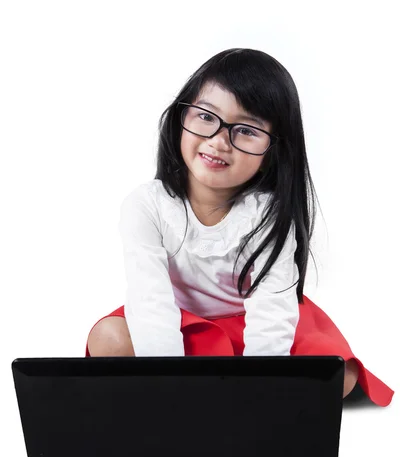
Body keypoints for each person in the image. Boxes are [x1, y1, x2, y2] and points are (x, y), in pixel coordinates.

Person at [85, 48, 394, 407]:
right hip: (181, 323)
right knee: (108, 338)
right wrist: (168, 385)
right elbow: (150, 301)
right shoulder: (147, 205)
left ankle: (223, 384)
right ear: (180, 117)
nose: (218, 141)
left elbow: (272, 312)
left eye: (245, 131)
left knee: (340, 375)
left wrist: (257, 392)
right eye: (205, 117)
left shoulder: (266, 213)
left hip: (254, 322)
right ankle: (209, 382)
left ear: (273, 151)